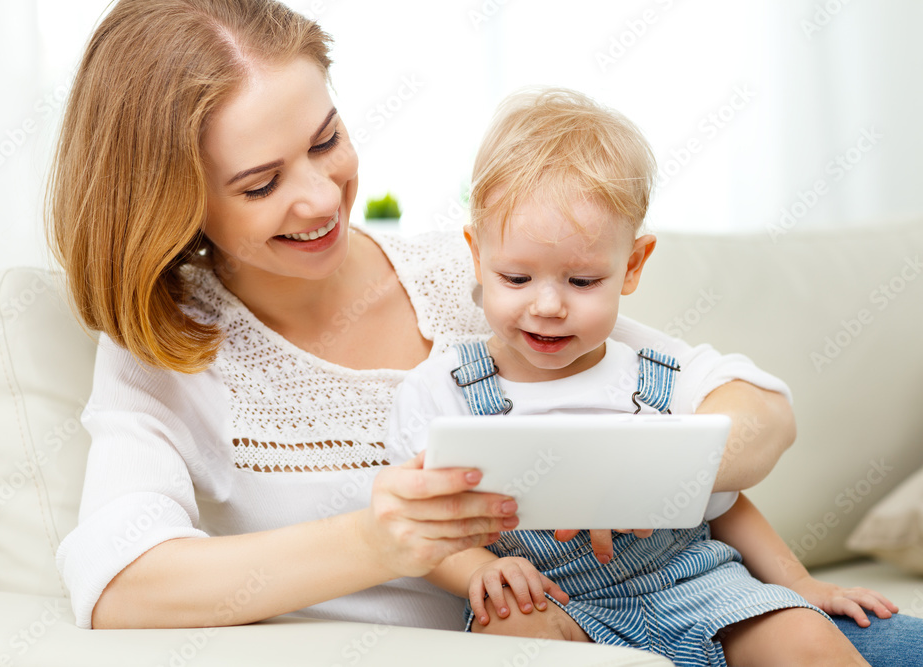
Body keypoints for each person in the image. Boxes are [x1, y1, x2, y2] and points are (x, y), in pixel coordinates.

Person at [45, 1, 921, 660]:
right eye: (260, 181)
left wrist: (645, 469)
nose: (318, 198)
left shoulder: (477, 279)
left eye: (326, 140)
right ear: (173, 198)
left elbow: (738, 407)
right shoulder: (168, 346)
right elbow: (125, 585)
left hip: (692, 594)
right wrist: (379, 541)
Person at [384, 87, 900, 666]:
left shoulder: (658, 378)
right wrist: (482, 568)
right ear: (476, 256)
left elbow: (725, 501)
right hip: (546, 598)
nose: (548, 306)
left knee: (806, 638)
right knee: (510, 634)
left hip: (692, 585)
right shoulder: (441, 391)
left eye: (581, 282)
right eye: (516, 278)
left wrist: (796, 582)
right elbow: (424, 526)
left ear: (632, 266)